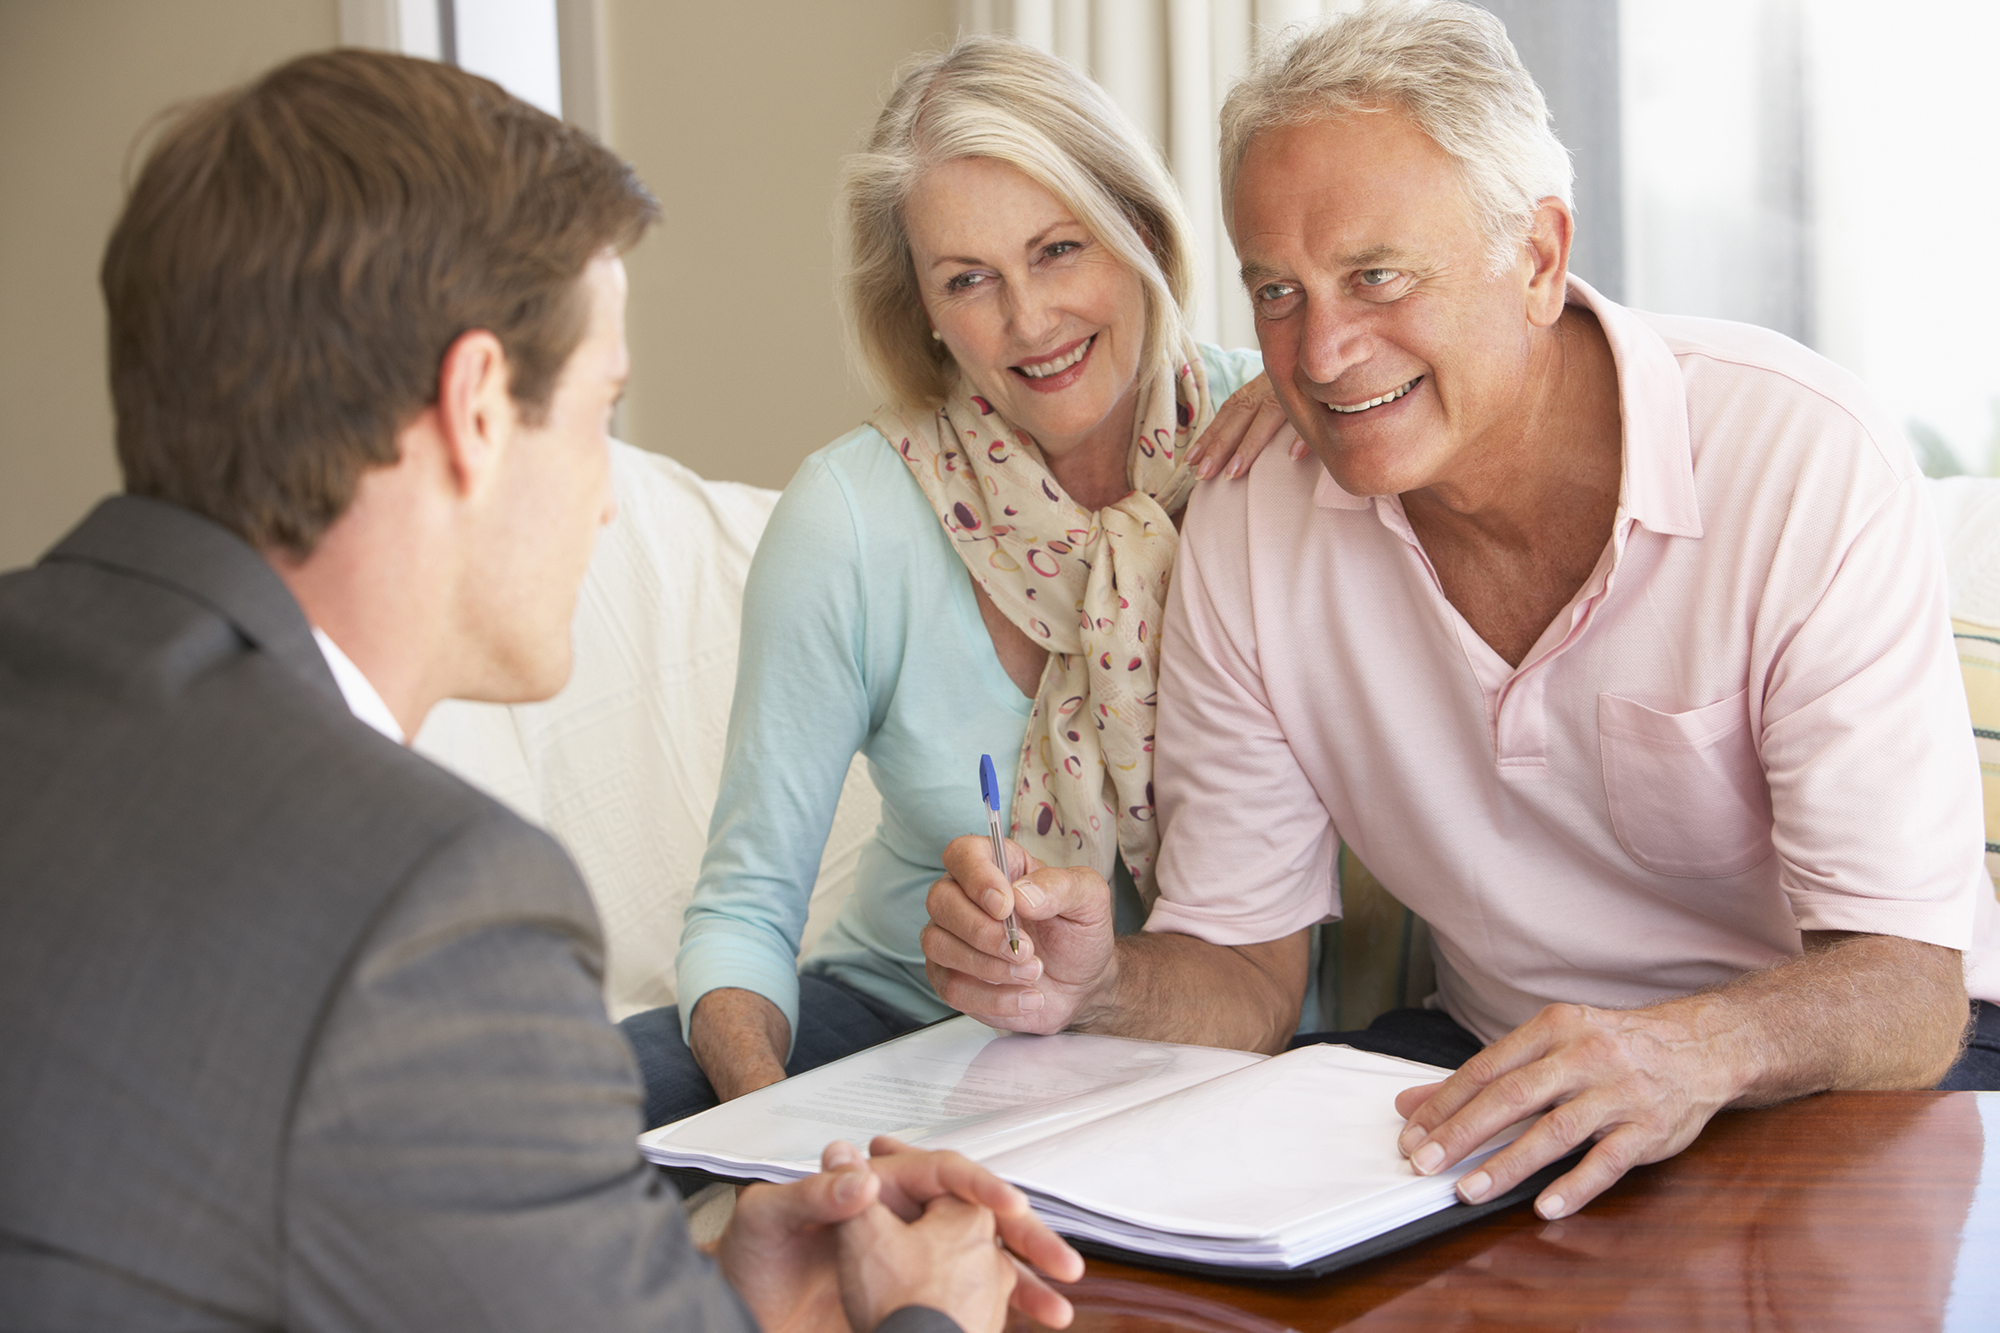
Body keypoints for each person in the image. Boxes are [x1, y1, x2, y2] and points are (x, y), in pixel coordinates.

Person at [0, 50, 1083, 1332]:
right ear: (472, 408)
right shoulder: (428, 911)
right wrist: (923, 1318)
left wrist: (713, 1300)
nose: (611, 493)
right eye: (599, 411)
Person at [921, 0, 2000, 1225]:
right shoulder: (1247, 520)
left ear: (1536, 257)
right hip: (1490, 1069)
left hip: (1852, 1076)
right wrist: (1098, 981)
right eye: (1275, 291)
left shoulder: (1798, 457)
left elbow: (1910, 991)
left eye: (1374, 277)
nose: (1321, 353)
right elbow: (1242, 970)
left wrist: (1686, 1053)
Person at [617, 34, 1299, 1130]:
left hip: (1206, 1026)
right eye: (968, 280)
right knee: (552, 1105)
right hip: (910, 1020)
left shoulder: (1277, 442)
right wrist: (772, 1134)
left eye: (1058, 249)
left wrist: (1311, 403)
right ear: (922, 311)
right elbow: (744, 906)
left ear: (1138, 230)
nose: (1028, 321)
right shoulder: (849, 516)